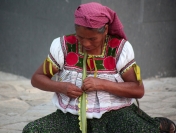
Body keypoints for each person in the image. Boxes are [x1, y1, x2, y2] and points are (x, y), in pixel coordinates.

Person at [22, 2, 176, 133]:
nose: (86, 43)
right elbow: (37, 78)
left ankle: (156, 124)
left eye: (92, 38)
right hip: (71, 117)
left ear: (106, 30)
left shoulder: (118, 49)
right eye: (80, 37)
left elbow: (138, 89)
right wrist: (62, 87)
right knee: (32, 130)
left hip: (116, 114)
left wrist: (101, 84)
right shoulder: (64, 46)